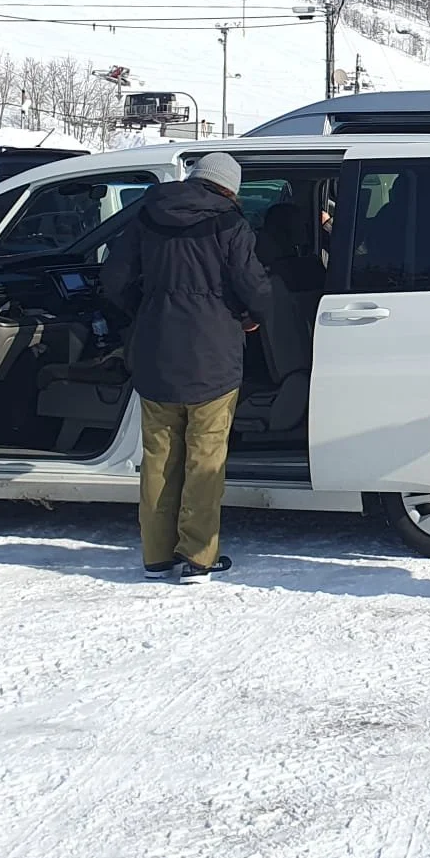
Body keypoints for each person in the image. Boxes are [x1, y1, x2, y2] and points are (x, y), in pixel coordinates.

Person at [102, 152, 273, 583]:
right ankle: (198, 557)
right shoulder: (231, 224)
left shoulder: (146, 216)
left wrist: (143, 314)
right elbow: (253, 286)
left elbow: (115, 280)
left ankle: (156, 557)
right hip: (213, 356)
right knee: (205, 458)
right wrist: (253, 316)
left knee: (159, 459)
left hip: (156, 352)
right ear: (228, 188)